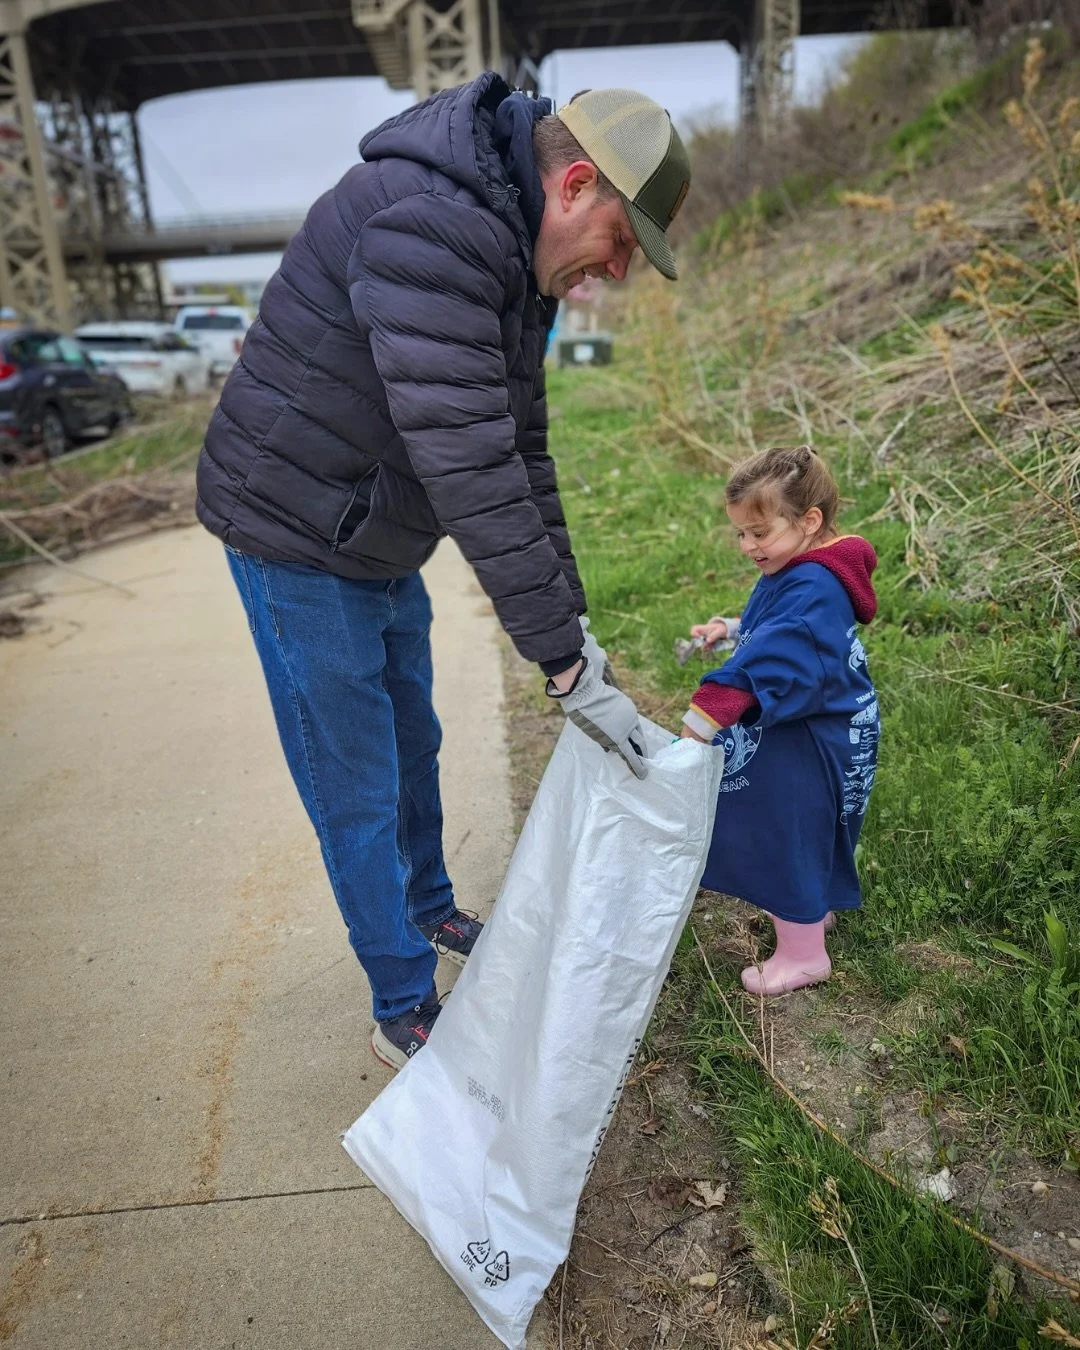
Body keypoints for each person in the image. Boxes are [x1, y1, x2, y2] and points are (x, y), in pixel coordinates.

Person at [194, 74, 693, 1068]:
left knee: (413, 737)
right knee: (358, 779)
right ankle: (400, 1005)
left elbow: (521, 451)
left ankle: (427, 909)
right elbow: (469, 463)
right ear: (575, 185)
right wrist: (559, 666)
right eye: (622, 242)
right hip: (295, 527)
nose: (618, 272)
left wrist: (576, 634)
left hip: (371, 523)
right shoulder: (433, 228)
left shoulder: (513, 257)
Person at [679, 446, 880, 996]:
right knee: (812, 826)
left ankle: (803, 954)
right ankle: (811, 910)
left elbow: (775, 658)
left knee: (786, 829)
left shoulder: (813, 583)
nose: (747, 547)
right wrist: (733, 625)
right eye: (740, 534)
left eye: (758, 533)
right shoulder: (806, 566)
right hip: (830, 720)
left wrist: (704, 719)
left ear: (808, 520)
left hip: (813, 736)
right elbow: (778, 626)